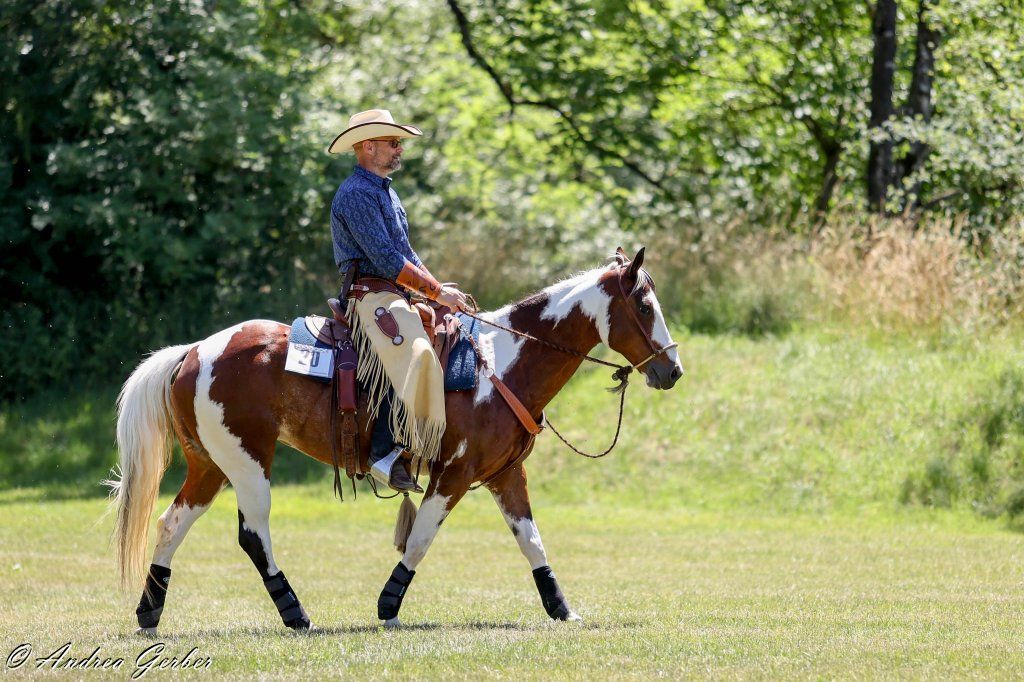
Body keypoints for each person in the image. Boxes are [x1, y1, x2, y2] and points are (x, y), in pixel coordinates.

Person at [327, 109, 470, 493]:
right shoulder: (356, 193)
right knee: (419, 352)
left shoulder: (387, 192)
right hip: (368, 296)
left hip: (393, 294)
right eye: (392, 143)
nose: (399, 148)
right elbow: (388, 260)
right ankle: (384, 452)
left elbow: (408, 254)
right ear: (367, 147)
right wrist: (436, 293)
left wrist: (437, 289)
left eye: (399, 142)